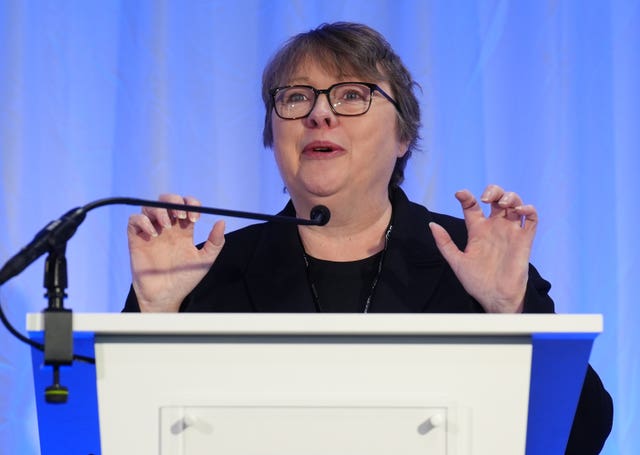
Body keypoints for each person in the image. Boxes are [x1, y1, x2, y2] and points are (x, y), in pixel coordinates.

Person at [123, 22, 612, 453]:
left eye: (352, 94)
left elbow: (581, 434)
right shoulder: (209, 268)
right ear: (273, 134)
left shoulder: (471, 256)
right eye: (295, 96)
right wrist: (156, 315)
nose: (320, 114)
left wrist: (509, 311)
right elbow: (119, 435)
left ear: (403, 136)